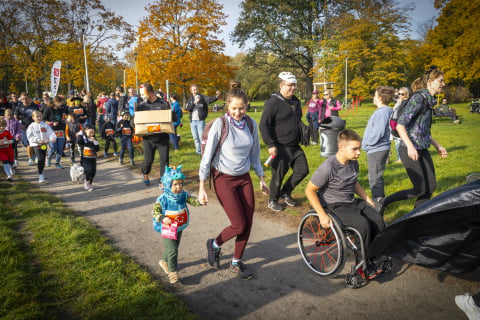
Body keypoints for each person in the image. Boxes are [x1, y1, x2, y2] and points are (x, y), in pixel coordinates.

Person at [199, 81, 268, 280]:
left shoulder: (251, 124)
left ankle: (236, 262)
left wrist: (261, 178)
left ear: (247, 106)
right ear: (227, 106)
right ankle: (214, 244)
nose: (238, 112)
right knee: (238, 224)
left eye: (242, 108)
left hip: (244, 178)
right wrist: (202, 187)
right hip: (223, 178)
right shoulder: (221, 124)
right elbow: (207, 156)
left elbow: (255, 153)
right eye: (234, 108)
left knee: (248, 222)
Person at [379, 66, 448, 214]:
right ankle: (384, 202)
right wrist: (410, 147)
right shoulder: (418, 98)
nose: (443, 84)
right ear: (430, 82)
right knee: (421, 188)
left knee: (431, 185)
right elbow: (400, 125)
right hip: (409, 149)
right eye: (440, 81)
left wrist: (437, 145)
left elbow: (421, 129)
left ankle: (417, 216)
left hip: (422, 148)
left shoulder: (429, 99)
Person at [305, 129, 385, 254]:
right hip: (334, 205)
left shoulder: (353, 162)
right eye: (354, 149)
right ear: (341, 147)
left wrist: (367, 199)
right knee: (362, 226)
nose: (359, 153)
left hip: (351, 202)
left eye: (359, 148)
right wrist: (321, 215)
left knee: (378, 220)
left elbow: (353, 182)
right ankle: (362, 264)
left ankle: (377, 253)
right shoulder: (328, 167)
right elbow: (309, 190)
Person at [259, 71, 309, 212]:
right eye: (290, 85)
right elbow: (263, 125)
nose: (293, 88)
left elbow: (296, 120)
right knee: (278, 175)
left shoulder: (296, 102)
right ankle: (272, 200)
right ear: (281, 85)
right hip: (280, 146)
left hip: (294, 146)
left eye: (294, 85)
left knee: (303, 170)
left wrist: (303, 133)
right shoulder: (273, 102)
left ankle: (285, 192)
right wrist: (270, 144)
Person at [152, 165, 200, 284]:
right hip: (167, 228)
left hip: (179, 226)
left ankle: (164, 261)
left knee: (173, 248)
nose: (178, 187)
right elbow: (155, 211)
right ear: (168, 184)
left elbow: (192, 201)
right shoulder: (163, 199)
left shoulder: (183, 195)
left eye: (180, 184)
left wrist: (200, 201)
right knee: (173, 249)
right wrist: (162, 218)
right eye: (175, 184)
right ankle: (173, 272)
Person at [135, 83, 175, 185]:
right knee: (148, 161)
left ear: (150, 93)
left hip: (162, 138)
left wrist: (171, 111)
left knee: (164, 162)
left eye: (144, 94)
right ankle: (145, 174)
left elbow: (174, 118)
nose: (142, 97)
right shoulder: (142, 106)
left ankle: (163, 180)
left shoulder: (163, 104)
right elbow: (134, 121)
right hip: (148, 139)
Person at [362, 86, 394, 207]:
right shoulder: (385, 111)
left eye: (375, 95)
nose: (373, 97)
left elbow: (378, 132)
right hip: (377, 148)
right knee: (376, 177)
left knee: (375, 179)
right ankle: (380, 203)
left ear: (380, 98)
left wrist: (367, 143)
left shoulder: (383, 112)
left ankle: (378, 207)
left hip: (377, 149)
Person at [185, 84, 220, 155]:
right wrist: (195, 102)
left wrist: (216, 96)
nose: (195, 91)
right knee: (196, 138)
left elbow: (209, 100)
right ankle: (198, 151)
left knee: (202, 138)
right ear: (191, 91)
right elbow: (188, 109)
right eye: (193, 90)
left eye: (196, 89)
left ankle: (204, 151)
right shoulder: (190, 100)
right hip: (192, 122)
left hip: (200, 121)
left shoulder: (202, 97)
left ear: (198, 90)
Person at [26, 110, 57, 183]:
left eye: (40, 116)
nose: (39, 118)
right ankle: (41, 175)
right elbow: (29, 136)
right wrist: (38, 140)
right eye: (37, 117)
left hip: (44, 144)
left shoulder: (45, 125)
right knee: (40, 158)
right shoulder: (31, 126)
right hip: (36, 145)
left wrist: (52, 138)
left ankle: (41, 171)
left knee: (42, 159)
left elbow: (51, 133)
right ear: (33, 117)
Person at [42, 96, 68, 169]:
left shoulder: (61, 110)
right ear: (56, 102)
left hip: (60, 131)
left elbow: (63, 118)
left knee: (60, 148)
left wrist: (65, 121)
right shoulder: (48, 110)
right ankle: (49, 157)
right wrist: (51, 123)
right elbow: (43, 120)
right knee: (53, 148)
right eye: (60, 103)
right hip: (51, 131)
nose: (61, 104)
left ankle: (57, 163)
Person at [15, 93, 40, 166]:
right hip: (24, 127)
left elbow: (38, 115)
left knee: (34, 143)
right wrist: (20, 124)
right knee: (27, 144)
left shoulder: (34, 106)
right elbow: (16, 116)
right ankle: (31, 158)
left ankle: (33, 157)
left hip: (34, 127)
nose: (25, 100)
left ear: (29, 98)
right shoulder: (19, 106)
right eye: (23, 99)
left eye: (26, 99)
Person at [77, 125, 99, 191]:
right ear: (85, 132)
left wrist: (95, 142)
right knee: (89, 170)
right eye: (90, 132)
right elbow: (79, 142)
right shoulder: (83, 139)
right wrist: (80, 134)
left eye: (93, 132)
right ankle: (87, 182)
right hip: (85, 158)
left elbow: (97, 149)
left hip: (93, 158)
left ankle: (90, 183)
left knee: (93, 172)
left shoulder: (94, 139)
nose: (91, 134)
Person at [391, 87, 410, 163]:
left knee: (400, 142)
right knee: (397, 141)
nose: (400, 95)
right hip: (394, 125)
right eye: (399, 94)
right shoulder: (398, 102)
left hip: (401, 125)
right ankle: (401, 157)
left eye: (402, 94)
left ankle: (401, 158)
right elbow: (394, 111)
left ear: (406, 94)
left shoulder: (407, 103)